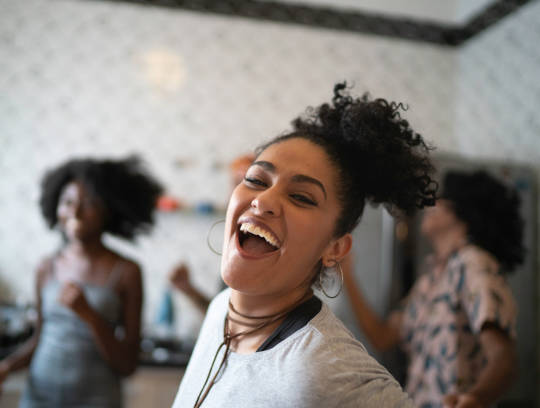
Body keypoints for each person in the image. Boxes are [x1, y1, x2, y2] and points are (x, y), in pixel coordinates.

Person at [172, 82, 438, 408]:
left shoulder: (327, 373)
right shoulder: (220, 309)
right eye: (255, 180)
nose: (264, 200)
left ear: (336, 248)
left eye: (300, 197)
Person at [0, 156, 162, 407]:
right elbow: (39, 339)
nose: (75, 211)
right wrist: (2, 370)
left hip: (97, 400)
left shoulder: (127, 272)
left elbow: (127, 365)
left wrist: (89, 315)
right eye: (67, 201)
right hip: (38, 398)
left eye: (88, 203)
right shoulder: (46, 267)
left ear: (108, 210)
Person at [342, 170, 524, 407]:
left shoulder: (473, 264)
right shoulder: (431, 279)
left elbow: (503, 359)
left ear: (463, 211)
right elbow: (383, 337)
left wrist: (474, 399)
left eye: (441, 198)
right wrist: (346, 274)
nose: (431, 204)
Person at [168, 154, 254, 313]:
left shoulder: (256, 256)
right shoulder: (236, 251)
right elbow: (222, 317)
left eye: (251, 185)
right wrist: (187, 288)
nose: (238, 196)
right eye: (236, 185)